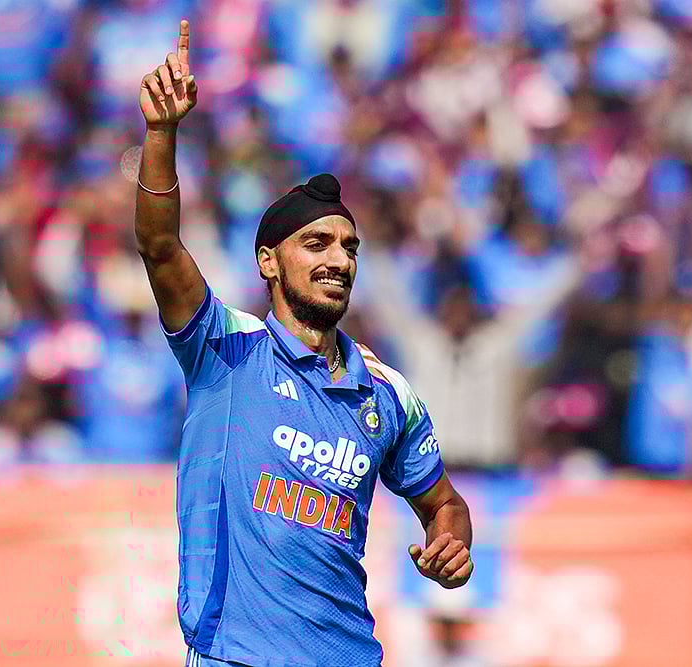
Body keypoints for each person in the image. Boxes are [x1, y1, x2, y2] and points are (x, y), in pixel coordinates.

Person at [134, 20, 473, 667]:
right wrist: (161, 133)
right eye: (316, 244)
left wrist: (450, 539)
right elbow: (159, 246)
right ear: (268, 260)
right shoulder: (226, 350)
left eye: (349, 247)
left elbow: (444, 500)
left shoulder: (387, 394)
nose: (339, 260)